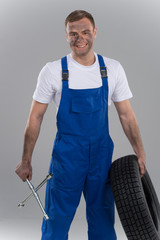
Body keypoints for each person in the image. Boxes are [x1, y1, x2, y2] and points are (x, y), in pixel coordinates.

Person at [15, 10, 146, 240]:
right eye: (73, 33)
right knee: (56, 220)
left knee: (103, 220)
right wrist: (26, 159)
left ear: (95, 32)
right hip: (67, 158)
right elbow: (35, 117)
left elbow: (126, 115)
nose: (80, 38)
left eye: (85, 32)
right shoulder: (53, 71)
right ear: (66, 36)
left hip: (101, 157)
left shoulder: (112, 69)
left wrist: (140, 153)